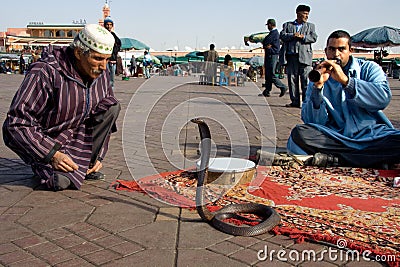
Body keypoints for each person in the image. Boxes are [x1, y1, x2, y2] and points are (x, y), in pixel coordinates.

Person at [2, 24, 121, 191]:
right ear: (79, 53)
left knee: (112, 107)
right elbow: (16, 124)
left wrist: (99, 156)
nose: (104, 66)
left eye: (107, 60)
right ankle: (47, 165)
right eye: (98, 59)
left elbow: (106, 114)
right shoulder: (46, 71)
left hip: (80, 137)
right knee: (61, 182)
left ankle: (88, 163)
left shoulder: (100, 73)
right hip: (50, 141)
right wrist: (51, 155)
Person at [286, 30, 400, 169]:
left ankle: (337, 159)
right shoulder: (319, 75)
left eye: (341, 49)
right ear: (326, 51)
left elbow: (383, 99)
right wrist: (318, 88)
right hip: (337, 136)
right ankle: (366, 159)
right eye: (332, 49)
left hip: (371, 135)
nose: (336, 54)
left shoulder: (369, 69)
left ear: (350, 50)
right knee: (300, 134)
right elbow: (312, 120)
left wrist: (346, 82)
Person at [280, 4, 317, 108]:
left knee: (305, 80)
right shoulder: (287, 25)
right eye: (304, 13)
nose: (306, 16)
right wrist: (293, 35)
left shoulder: (310, 26)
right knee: (292, 80)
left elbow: (314, 38)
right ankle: (295, 101)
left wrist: (303, 37)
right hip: (291, 57)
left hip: (305, 57)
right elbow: (282, 36)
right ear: (298, 13)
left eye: (307, 14)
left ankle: (306, 102)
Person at [260, 19, 287, 97]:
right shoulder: (272, 33)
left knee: (271, 73)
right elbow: (265, 42)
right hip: (269, 54)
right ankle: (267, 90)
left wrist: (267, 45)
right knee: (268, 73)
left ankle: (283, 87)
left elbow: (265, 41)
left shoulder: (274, 33)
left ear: (270, 25)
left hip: (272, 55)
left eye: (268, 25)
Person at [104, 16, 121, 89]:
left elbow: (119, 44)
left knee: (112, 78)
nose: (109, 26)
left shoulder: (114, 35)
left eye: (110, 25)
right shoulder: (102, 35)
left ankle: (111, 92)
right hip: (104, 59)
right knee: (104, 76)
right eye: (107, 24)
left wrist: (114, 51)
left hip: (112, 60)